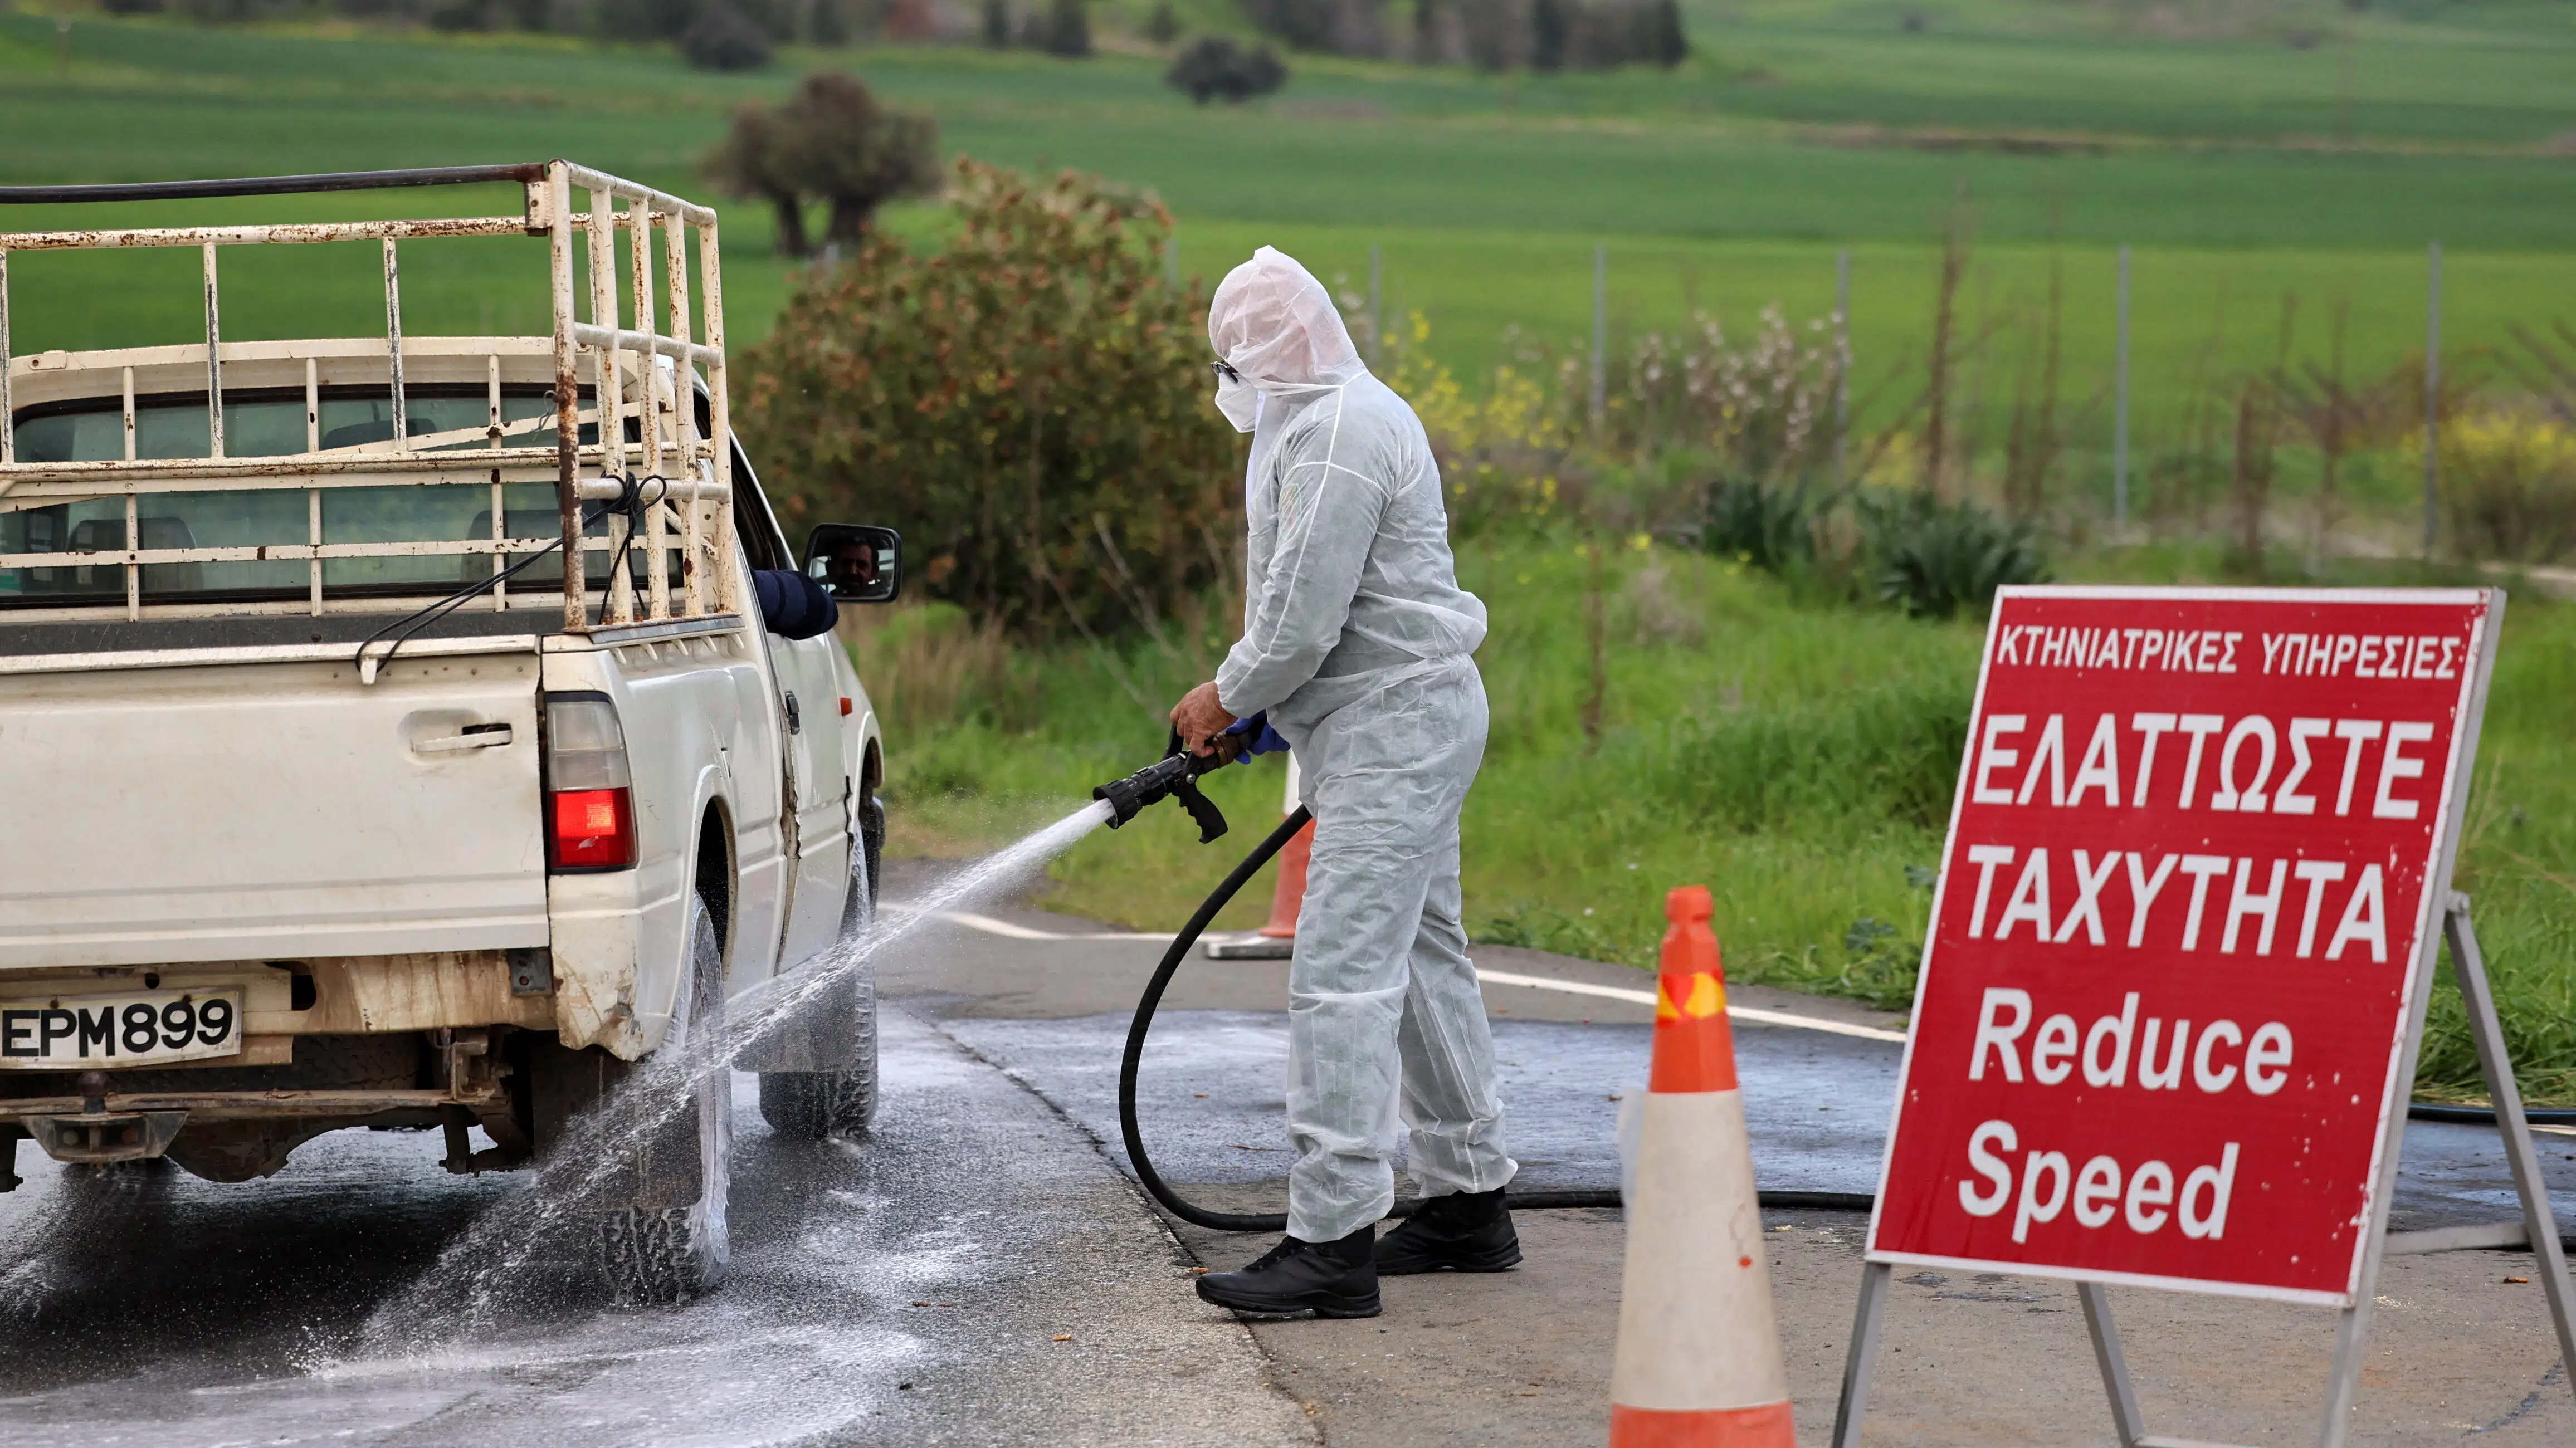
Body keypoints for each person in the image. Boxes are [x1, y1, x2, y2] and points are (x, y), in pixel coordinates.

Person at [1172, 246, 1517, 1320]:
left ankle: (1331, 1242)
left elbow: (1301, 619)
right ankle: (1468, 1201)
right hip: (1389, 718)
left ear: (1255, 355)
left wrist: (1226, 699)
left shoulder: (1335, 438)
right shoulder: (1329, 418)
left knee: (1342, 975)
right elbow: (1315, 614)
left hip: (1396, 725)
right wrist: (1264, 703)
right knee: (1421, 954)